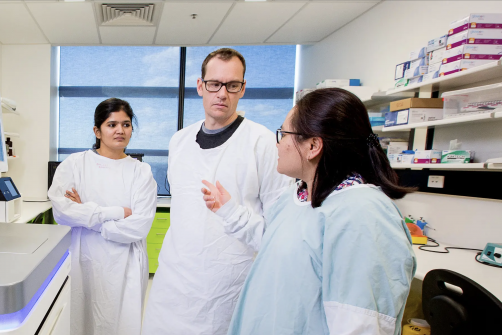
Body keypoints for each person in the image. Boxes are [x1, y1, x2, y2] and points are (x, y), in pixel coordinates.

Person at [210, 88, 416, 334]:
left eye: (284, 134)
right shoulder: (295, 198)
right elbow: (275, 246)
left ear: (313, 146)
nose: (278, 143)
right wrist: (229, 211)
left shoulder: (362, 214)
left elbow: (361, 323)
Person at [142, 48, 293, 334]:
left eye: (232, 85)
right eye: (214, 84)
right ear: (200, 86)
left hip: (227, 288)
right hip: (173, 284)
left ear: (242, 89)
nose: (222, 93)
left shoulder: (261, 143)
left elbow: (278, 232)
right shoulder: (179, 141)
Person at [48, 98, 157, 335]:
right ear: (97, 130)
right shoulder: (75, 164)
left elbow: (138, 227)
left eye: (126, 124)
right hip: (83, 258)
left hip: (126, 264)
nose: (120, 130)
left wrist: (88, 215)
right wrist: (116, 213)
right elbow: (62, 212)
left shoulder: (141, 171)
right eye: (112, 124)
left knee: (120, 324)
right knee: (80, 320)